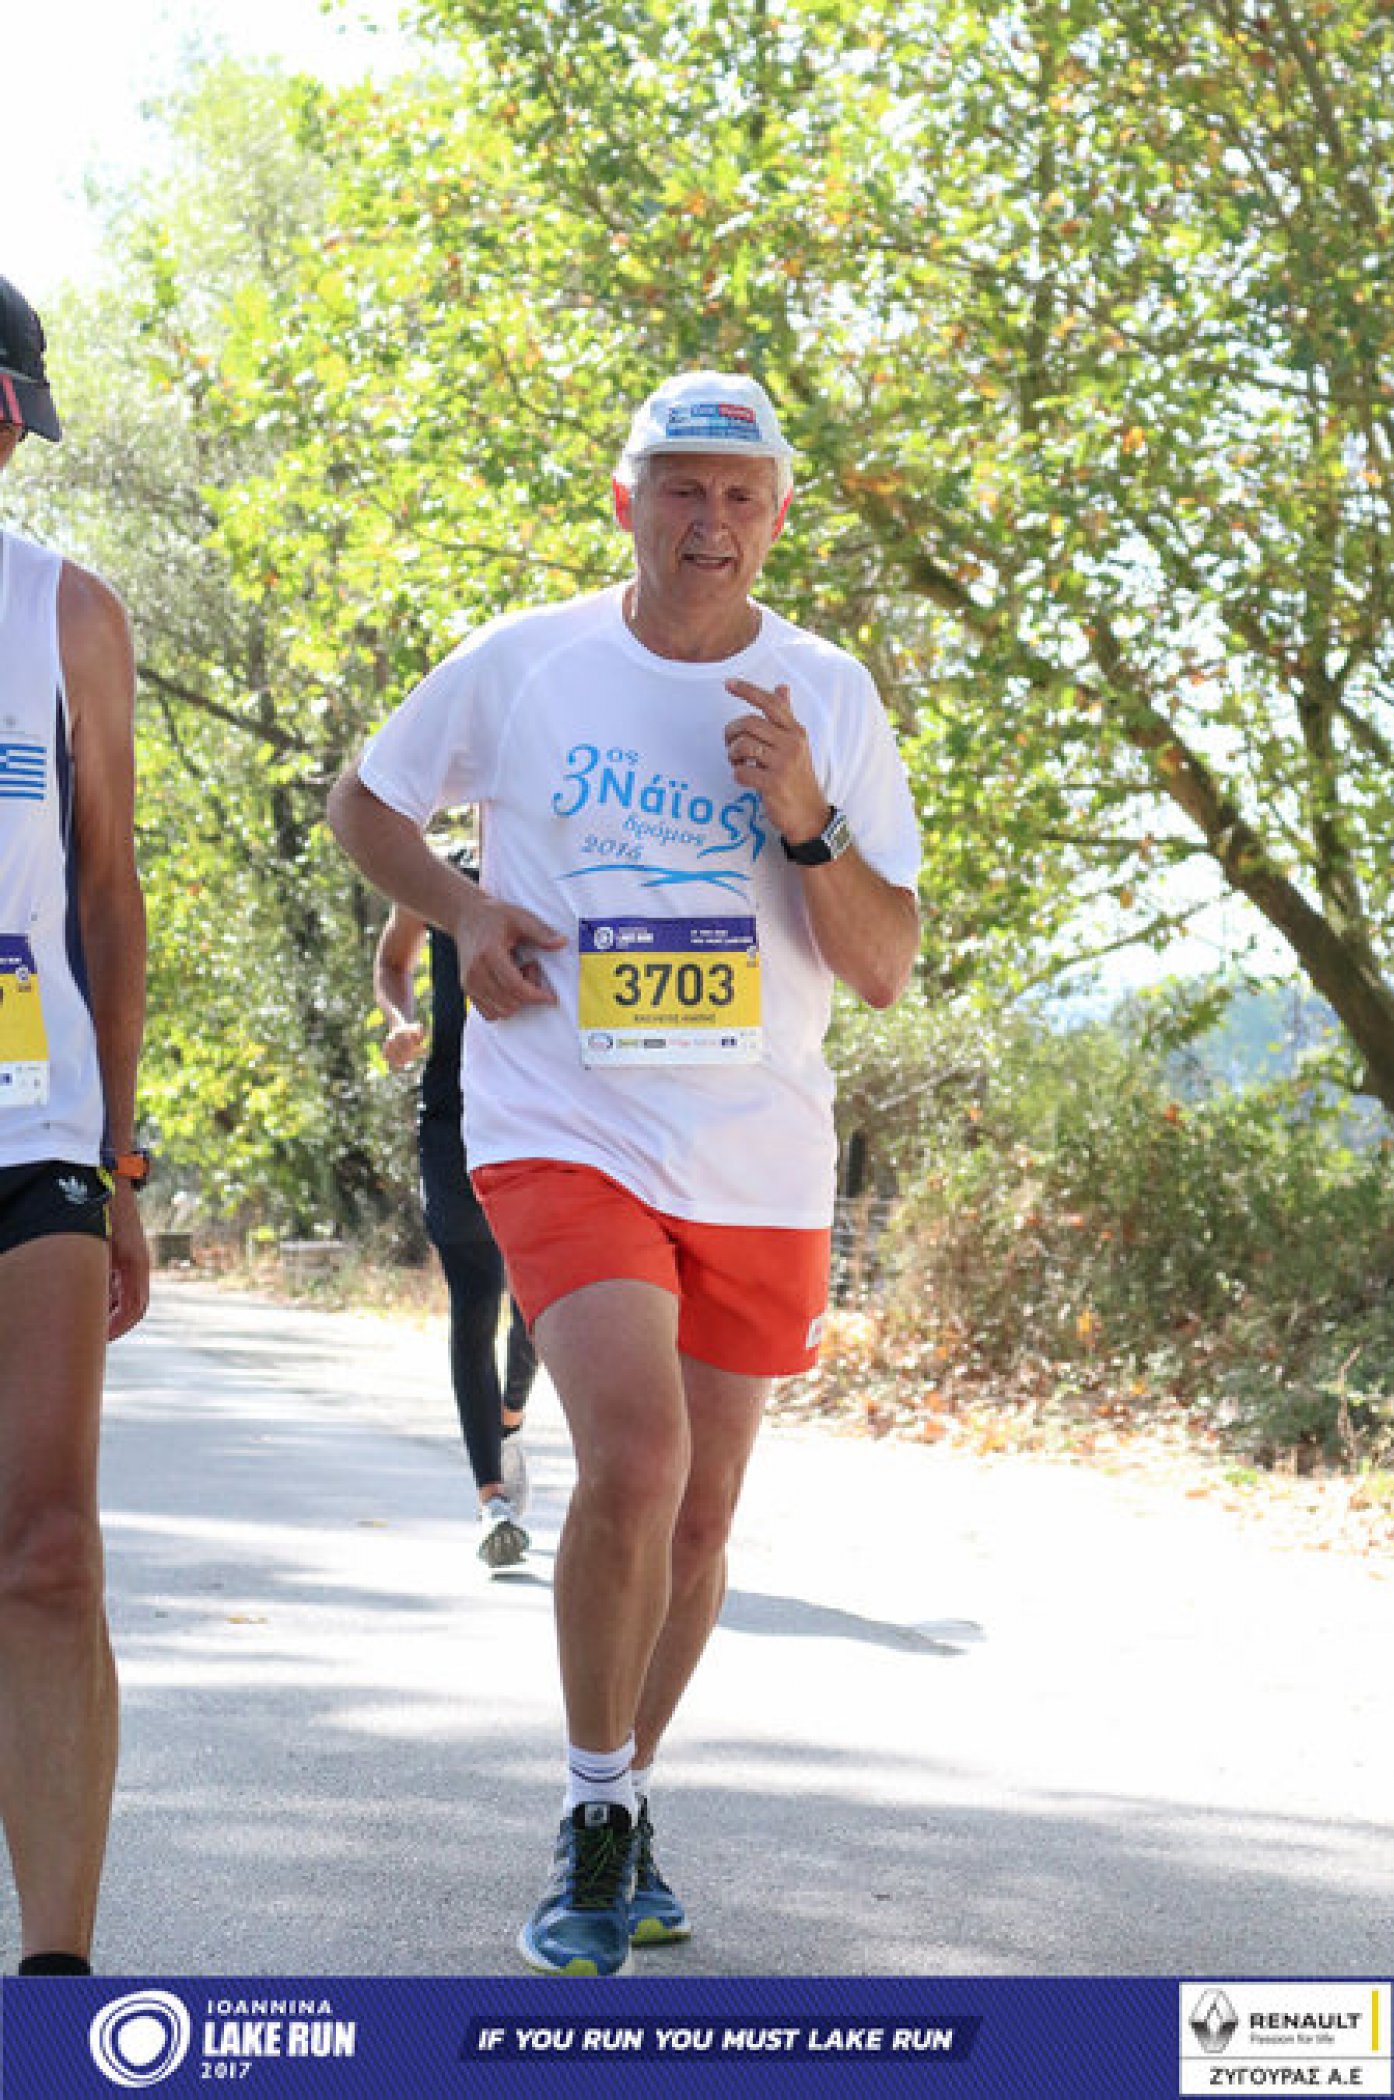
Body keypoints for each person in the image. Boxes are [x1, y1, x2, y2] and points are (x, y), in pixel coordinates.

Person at [328, 369, 921, 1975]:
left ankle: (629, 1792)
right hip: (562, 1117)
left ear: (776, 517)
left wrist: (805, 817)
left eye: (738, 494)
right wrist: (462, 911)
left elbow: (881, 966)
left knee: (704, 1518)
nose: (707, 520)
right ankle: (592, 1819)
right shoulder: (524, 662)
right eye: (678, 487)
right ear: (625, 503)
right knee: (638, 1459)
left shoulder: (829, 695)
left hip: (755, 1149)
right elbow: (364, 804)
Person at [0, 274, 150, 1975]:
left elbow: (107, 895)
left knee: (47, 1552)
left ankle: (56, 1989)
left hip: (29, 1117)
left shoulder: (66, 614)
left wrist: (122, 1164)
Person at [373, 845, 538, 1571]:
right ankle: (492, 1500)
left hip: (546, 1116)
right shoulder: (437, 874)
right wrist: (399, 1020)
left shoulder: (557, 862)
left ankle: (509, 1416)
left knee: (536, 1305)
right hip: (453, 1117)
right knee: (475, 1297)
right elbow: (393, 962)